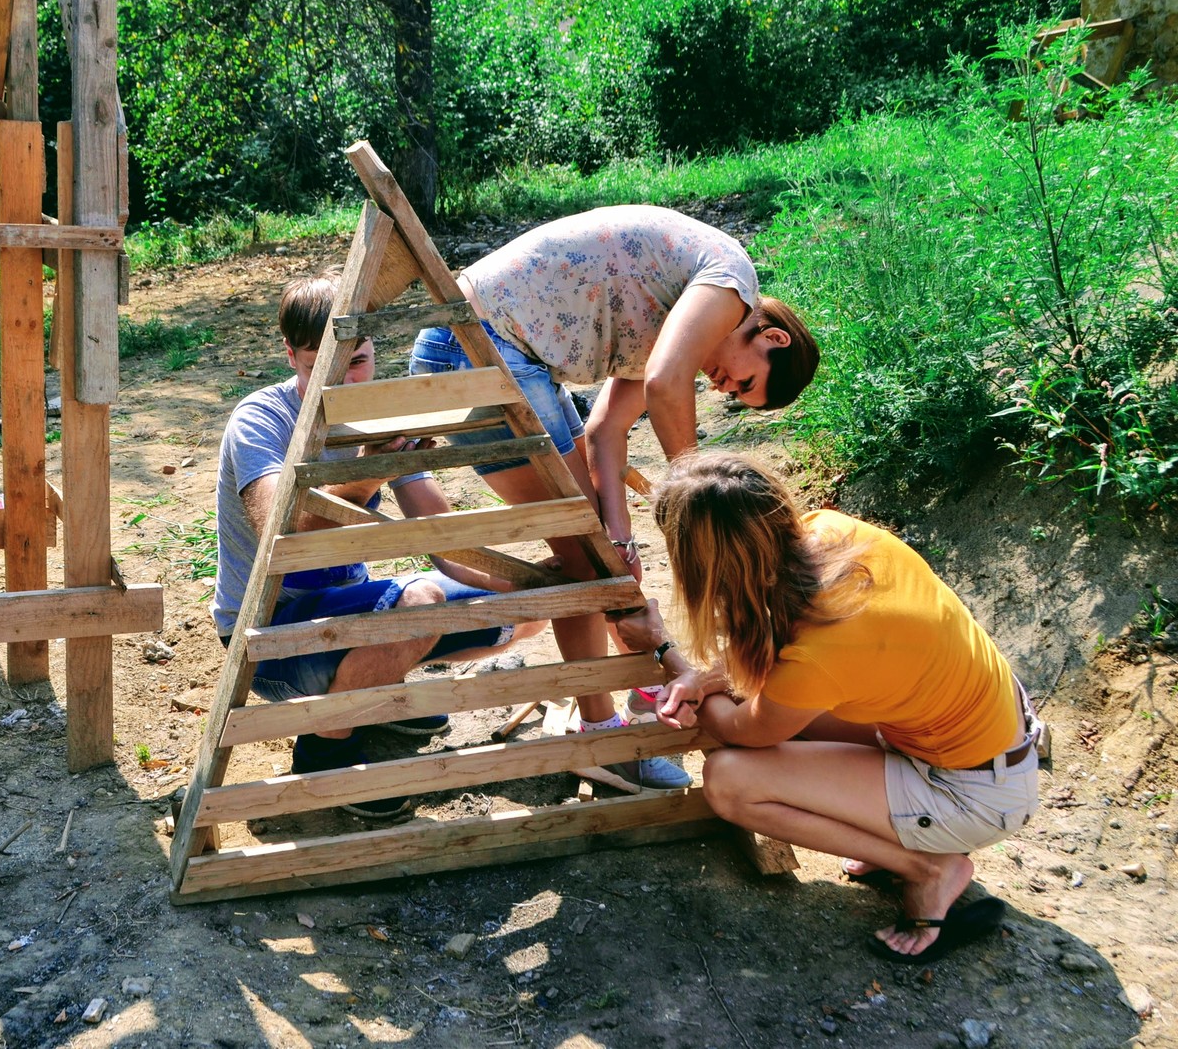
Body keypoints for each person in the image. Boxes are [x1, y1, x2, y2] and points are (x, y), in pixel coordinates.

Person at [410, 205, 818, 786]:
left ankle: (619, 707)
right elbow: (663, 385)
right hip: (477, 345)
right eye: (743, 381)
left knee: (597, 555)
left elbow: (607, 430)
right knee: (588, 560)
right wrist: (701, 507)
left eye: (735, 394)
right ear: (770, 337)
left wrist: (621, 533)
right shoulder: (731, 282)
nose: (723, 386)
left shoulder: (684, 315)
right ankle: (604, 735)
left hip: (490, 347)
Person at [617, 452, 1040, 963]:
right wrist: (706, 677)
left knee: (731, 780)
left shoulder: (821, 654)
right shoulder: (829, 532)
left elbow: (739, 730)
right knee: (768, 712)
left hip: (975, 795)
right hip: (989, 744)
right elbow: (772, 663)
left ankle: (930, 869)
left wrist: (665, 652)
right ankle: (900, 834)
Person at [211, 270, 547, 819]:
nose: (346, 377)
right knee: (419, 605)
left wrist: (530, 584)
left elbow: (444, 543)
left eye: (360, 359)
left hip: (346, 620)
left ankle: (374, 695)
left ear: (374, 349)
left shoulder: (380, 414)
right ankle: (326, 750)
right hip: (267, 635)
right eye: (324, 362)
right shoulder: (262, 421)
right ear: (291, 355)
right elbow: (284, 537)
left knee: (523, 614)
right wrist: (368, 475)